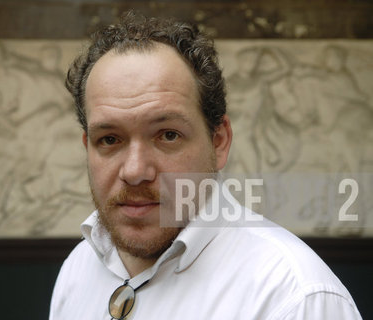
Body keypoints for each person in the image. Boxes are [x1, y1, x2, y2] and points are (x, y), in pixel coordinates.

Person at [49, 11, 362, 319]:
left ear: (219, 141)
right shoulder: (78, 270)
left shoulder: (293, 298)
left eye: (168, 135)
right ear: (87, 147)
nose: (134, 171)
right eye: (109, 139)